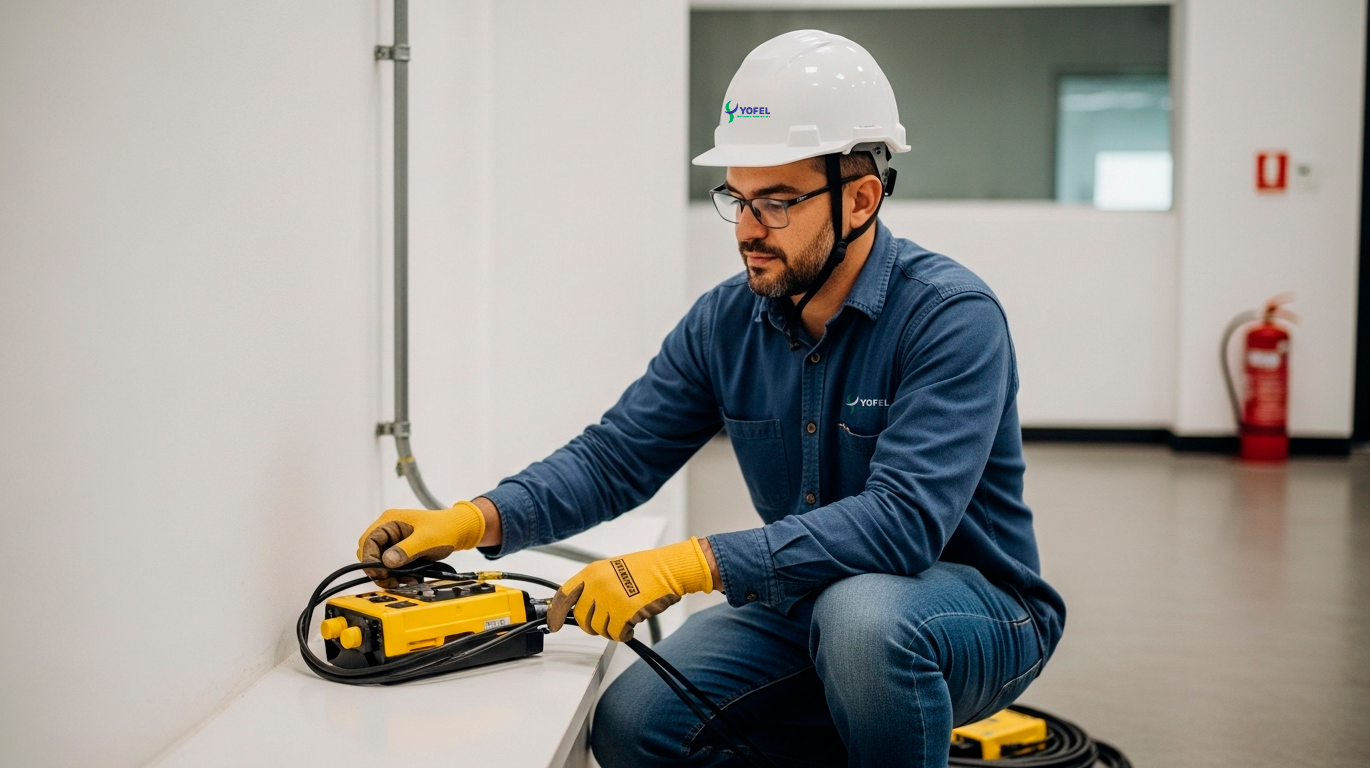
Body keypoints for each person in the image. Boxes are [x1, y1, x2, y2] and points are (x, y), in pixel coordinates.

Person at [356, 29, 1064, 768]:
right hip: (808, 600)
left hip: (971, 609)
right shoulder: (726, 321)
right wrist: (471, 519)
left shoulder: (950, 317)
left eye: (778, 203)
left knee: (864, 624)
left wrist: (688, 564)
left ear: (861, 199)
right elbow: (616, 457)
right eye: (738, 199)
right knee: (636, 724)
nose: (748, 230)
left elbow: (902, 524)